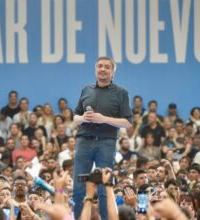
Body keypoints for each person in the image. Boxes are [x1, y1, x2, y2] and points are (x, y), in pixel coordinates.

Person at [72, 56, 132, 220]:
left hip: (106, 143)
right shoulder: (86, 90)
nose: (103, 69)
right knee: (78, 186)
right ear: (95, 69)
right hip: (84, 141)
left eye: (107, 67)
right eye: (100, 66)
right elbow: (75, 118)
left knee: (105, 187)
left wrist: (104, 119)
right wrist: (84, 117)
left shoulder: (121, 93)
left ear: (112, 72)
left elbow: (127, 122)